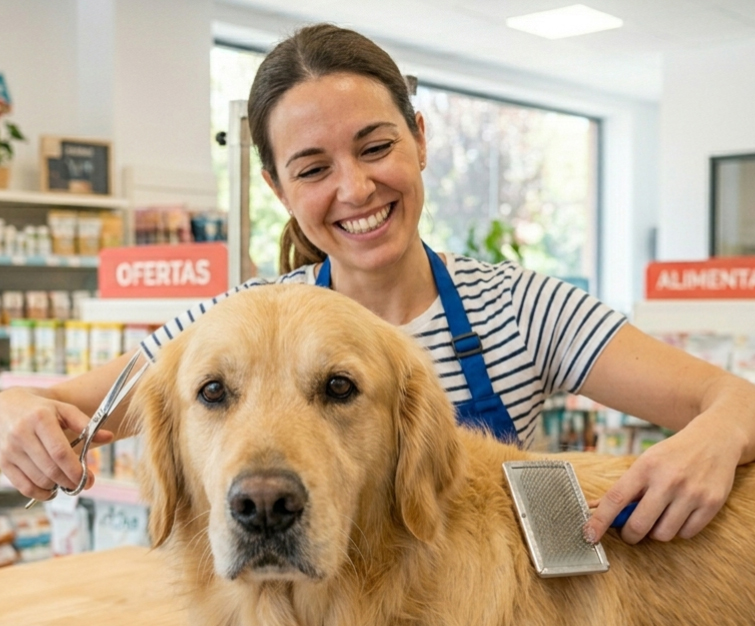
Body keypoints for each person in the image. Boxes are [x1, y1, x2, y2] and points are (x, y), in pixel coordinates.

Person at [1, 23, 754, 546]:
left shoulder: (522, 310)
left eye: (375, 146)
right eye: (313, 167)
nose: (355, 189)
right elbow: (60, 408)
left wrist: (711, 437)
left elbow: (733, 400)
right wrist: (16, 414)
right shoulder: (234, 329)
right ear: (276, 185)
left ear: (419, 140)